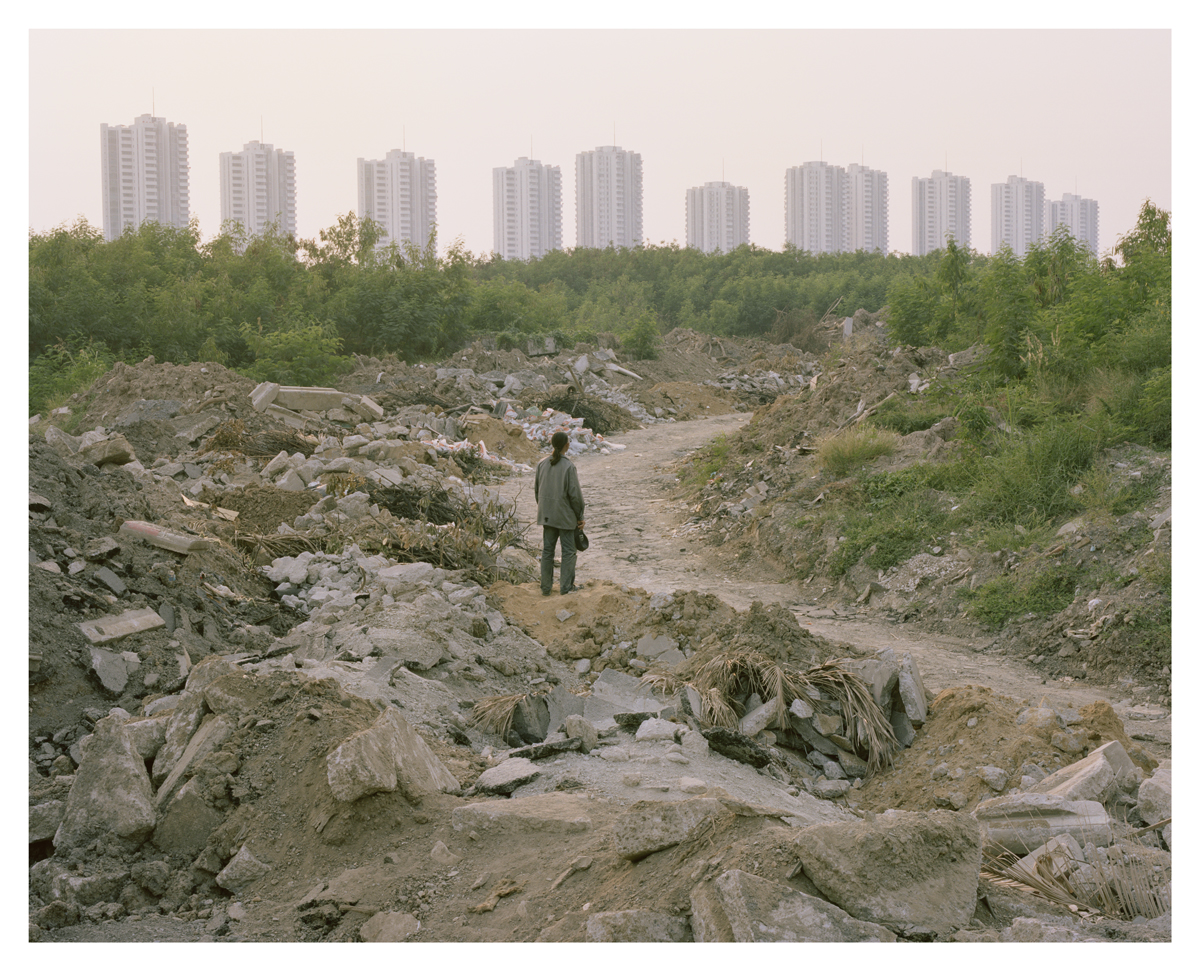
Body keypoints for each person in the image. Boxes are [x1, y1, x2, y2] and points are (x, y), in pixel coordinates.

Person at [534, 430, 585, 595]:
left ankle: (545, 588)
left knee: (547, 551)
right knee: (569, 551)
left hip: (547, 515)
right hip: (565, 517)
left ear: (552, 444)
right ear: (567, 445)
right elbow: (575, 496)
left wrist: (546, 509)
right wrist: (580, 517)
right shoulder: (569, 466)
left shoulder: (541, 464)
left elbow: (537, 492)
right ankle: (566, 587)